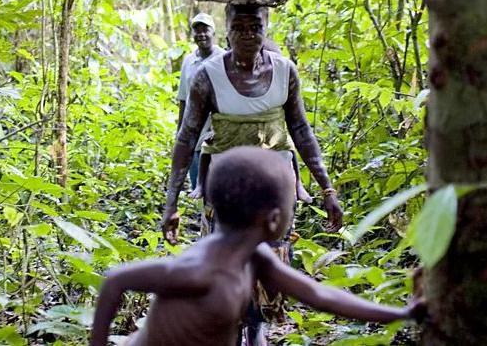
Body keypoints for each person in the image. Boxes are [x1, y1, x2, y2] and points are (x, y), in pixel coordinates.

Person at [91, 148, 423, 346]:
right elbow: (115, 280)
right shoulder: (202, 271)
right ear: (275, 218)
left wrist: (401, 313)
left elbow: (319, 295)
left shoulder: (255, 257)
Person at [162, 3, 343, 344]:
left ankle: (256, 327)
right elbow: (186, 138)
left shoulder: (285, 71)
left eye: (255, 26)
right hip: (226, 186)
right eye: (239, 26)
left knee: (271, 258)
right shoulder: (208, 75)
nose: (247, 33)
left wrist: (327, 190)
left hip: (273, 187)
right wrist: (171, 203)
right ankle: (231, 326)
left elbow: (301, 131)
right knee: (226, 258)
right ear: (226, 30)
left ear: (266, 28)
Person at [177, 13, 223, 191]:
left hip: (218, 135)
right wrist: (180, 132)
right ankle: (205, 217)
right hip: (194, 134)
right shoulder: (189, 61)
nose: (201, 34)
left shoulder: (224, 59)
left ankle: (219, 218)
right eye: (197, 30)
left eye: (206, 30)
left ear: (213, 32)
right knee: (199, 186)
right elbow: (183, 98)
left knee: (218, 184)